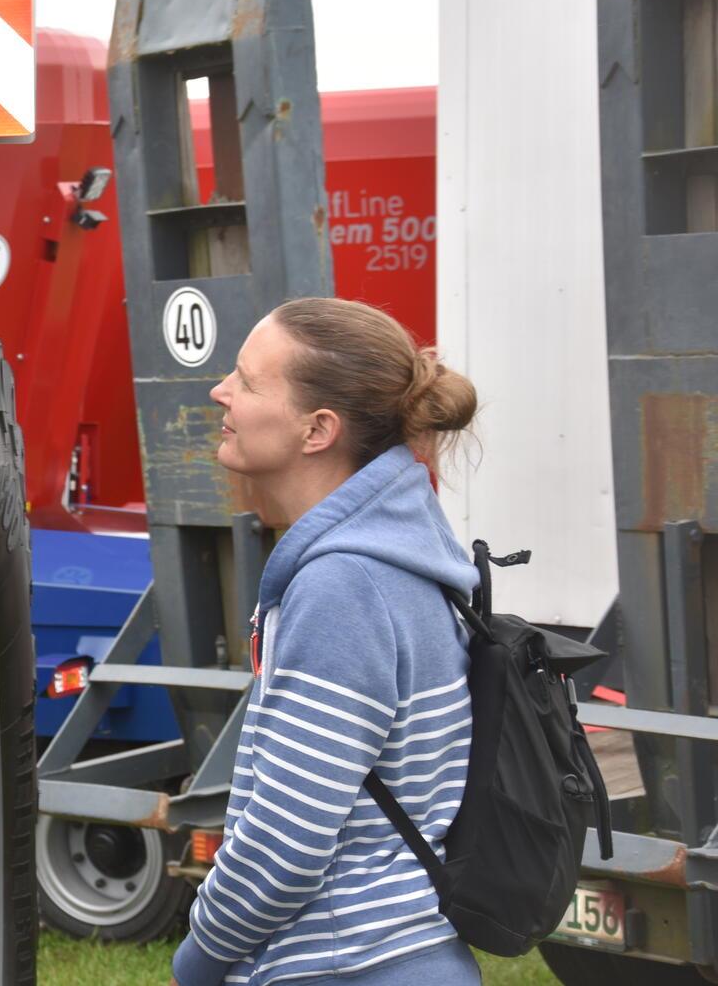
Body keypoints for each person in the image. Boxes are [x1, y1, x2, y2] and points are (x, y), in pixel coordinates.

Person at [171, 297, 483, 986]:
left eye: (249, 382)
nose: (220, 390)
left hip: (347, 964)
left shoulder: (344, 587)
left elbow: (284, 846)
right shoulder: (397, 558)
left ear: (317, 429)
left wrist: (196, 960)